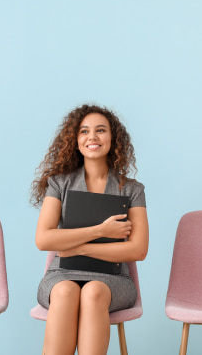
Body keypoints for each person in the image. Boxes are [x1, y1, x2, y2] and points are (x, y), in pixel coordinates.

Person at [31, 104, 149, 355]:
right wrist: (101, 231)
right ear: (75, 140)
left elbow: (138, 250)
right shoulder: (59, 183)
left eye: (100, 130)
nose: (92, 137)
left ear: (113, 138)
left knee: (93, 291)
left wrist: (76, 247)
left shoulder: (132, 189)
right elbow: (43, 239)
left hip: (113, 280)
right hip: (61, 275)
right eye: (84, 131)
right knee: (65, 291)